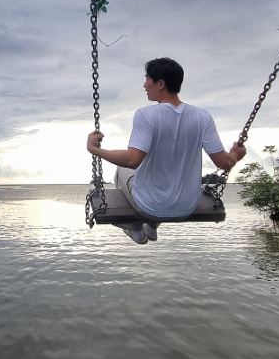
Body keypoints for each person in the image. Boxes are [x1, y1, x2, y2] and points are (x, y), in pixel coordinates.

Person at [86, 57, 246, 245]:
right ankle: (152, 226)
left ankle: (135, 228)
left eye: (147, 79)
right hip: (187, 206)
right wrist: (236, 154)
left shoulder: (146, 115)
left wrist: (94, 150)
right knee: (153, 171)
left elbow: (132, 160)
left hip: (148, 207)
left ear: (160, 84)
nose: (144, 85)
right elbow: (224, 163)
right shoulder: (203, 117)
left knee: (123, 170)